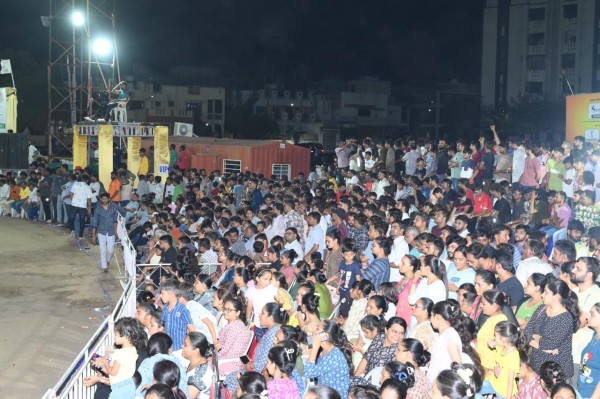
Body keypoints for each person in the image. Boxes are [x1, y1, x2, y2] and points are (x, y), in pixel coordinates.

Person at [524, 278, 579, 378]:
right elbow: (527, 331)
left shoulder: (565, 319)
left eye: (546, 292)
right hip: (537, 367)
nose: (542, 295)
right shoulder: (541, 308)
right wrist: (538, 340)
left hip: (555, 373)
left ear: (556, 296)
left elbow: (548, 344)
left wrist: (535, 338)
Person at [90, 318, 139, 399]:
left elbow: (113, 372)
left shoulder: (119, 353)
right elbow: (121, 370)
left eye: (116, 334)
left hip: (119, 389)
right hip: (129, 385)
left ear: (126, 336)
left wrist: (105, 362)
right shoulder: (133, 350)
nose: (113, 337)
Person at [304, 320, 353, 399]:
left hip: (333, 396)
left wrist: (315, 346)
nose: (314, 331)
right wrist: (311, 340)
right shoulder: (325, 350)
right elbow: (308, 361)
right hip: (324, 391)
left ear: (325, 336)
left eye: (317, 329)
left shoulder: (334, 356)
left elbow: (308, 373)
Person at [135, 333, 189, 398]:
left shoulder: (147, 362)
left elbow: (138, 391)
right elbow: (184, 388)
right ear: (169, 349)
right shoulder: (176, 361)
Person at [480, 320, 521, 399]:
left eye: (495, 336)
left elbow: (510, 382)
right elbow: (493, 343)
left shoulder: (513, 356)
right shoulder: (502, 346)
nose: (494, 338)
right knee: (475, 389)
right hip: (495, 382)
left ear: (504, 339)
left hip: (504, 391)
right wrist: (493, 343)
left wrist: (508, 397)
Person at [427, 301, 464, 384]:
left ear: (437, 316)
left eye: (431, 315)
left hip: (442, 388)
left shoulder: (451, 336)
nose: (430, 320)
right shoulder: (443, 334)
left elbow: (458, 367)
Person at [160, 280, 194, 351]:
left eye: (162, 293)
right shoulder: (165, 308)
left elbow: (191, 330)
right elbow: (163, 326)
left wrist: (188, 346)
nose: (160, 296)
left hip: (179, 348)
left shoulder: (182, 310)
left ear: (170, 294)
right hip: (168, 347)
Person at [246, 267, 278, 342]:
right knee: (260, 342)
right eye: (265, 279)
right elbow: (249, 306)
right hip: (258, 322)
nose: (268, 282)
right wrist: (248, 318)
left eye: (269, 279)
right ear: (257, 278)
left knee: (271, 342)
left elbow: (278, 298)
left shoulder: (271, 288)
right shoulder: (251, 290)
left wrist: (280, 300)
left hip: (271, 322)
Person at [91, 192, 118, 272]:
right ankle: (104, 267)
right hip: (101, 232)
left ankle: (108, 260)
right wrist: (93, 236)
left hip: (111, 232)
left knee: (111, 250)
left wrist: (116, 232)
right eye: (103, 198)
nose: (104, 200)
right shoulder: (98, 209)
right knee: (102, 250)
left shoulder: (113, 208)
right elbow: (95, 223)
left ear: (109, 199)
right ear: (100, 200)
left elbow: (115, 221)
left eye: (106, 198)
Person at [181, 332, 213, 399]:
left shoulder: (198, 375)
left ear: (196, 350)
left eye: (185, 345)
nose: (182, 346)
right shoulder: (194, 362)